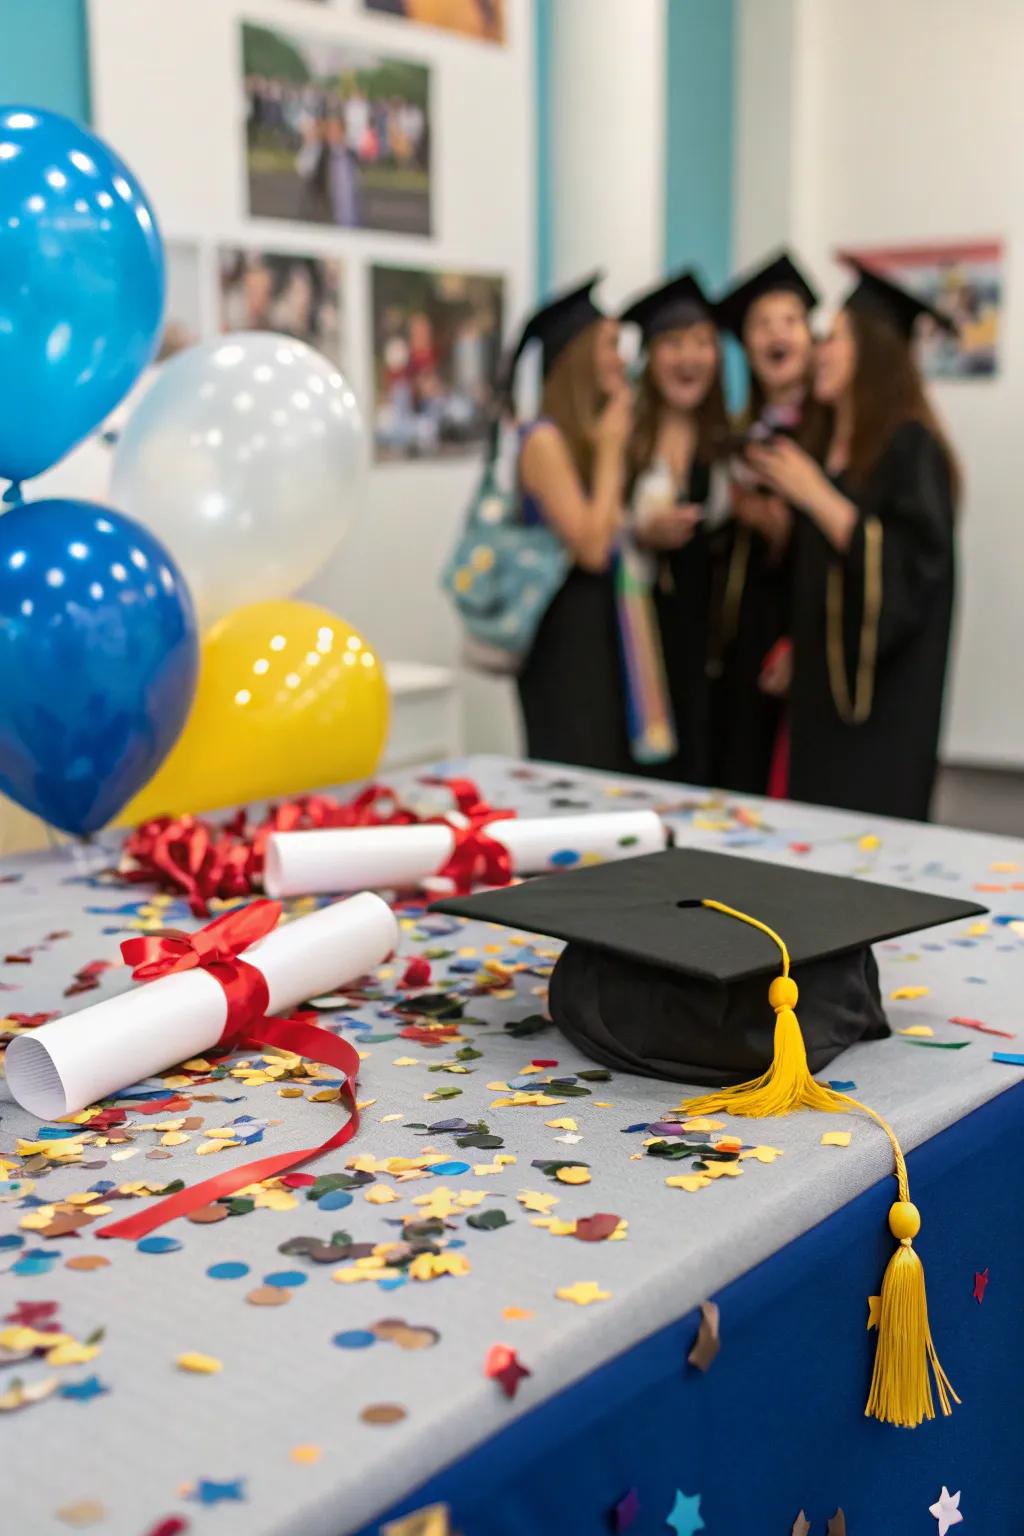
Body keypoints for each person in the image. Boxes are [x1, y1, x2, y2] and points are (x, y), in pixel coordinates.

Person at [746, 258, 959, 821]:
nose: (819, 350)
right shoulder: (823, 446)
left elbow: (915, 569)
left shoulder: (910, 447)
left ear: (873, 352)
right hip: (817, 696)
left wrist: (818, 496)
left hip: (882, 704)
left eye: (834, 337)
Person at [512, 274, 636, 771]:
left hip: (599, 629)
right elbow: (591, 547)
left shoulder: (586, 437)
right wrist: (611, 451)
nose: (620, 360)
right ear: (578, 354)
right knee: (575, 765)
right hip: (563, 640)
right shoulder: (543, 440)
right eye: (609, 345)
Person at [710, 251, 821, 794]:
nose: (778, 334)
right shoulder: (734, 434)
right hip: (742, 638)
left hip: (802, 625)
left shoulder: (833, 433)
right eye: (761, 324)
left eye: (791, 321)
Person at [619, 270, 729, 784]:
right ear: (650, 356)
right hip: (638, 632)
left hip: (707, 638)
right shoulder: (624, 436)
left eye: (703, 342)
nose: (690, 357)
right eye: (674, 343)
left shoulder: (727, 442)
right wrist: (641, 533)